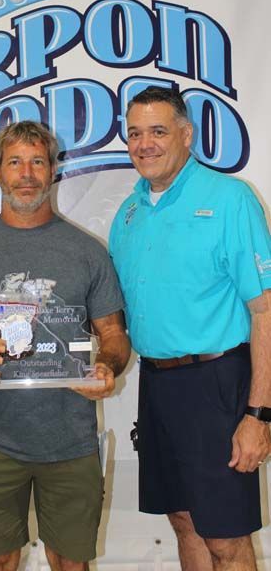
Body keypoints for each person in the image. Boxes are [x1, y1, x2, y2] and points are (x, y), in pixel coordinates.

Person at [0, 120, 130, 571]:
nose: (26, 173)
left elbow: (114, 336)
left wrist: (108, 367)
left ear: (53, 171)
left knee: (69, 561)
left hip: (72, 441)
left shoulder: (87, 251)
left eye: (37, 162)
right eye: (15, 162)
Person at [109, 86, 271, 571]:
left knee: (225, 538)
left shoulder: (229, 199)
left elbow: (265, 312)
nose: (145, 144)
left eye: (158, 131)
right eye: (135, 133)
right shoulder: (130, 213)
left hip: (217, 384)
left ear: (186, 135)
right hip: (156, 384)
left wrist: (259, 414)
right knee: (182, 519)